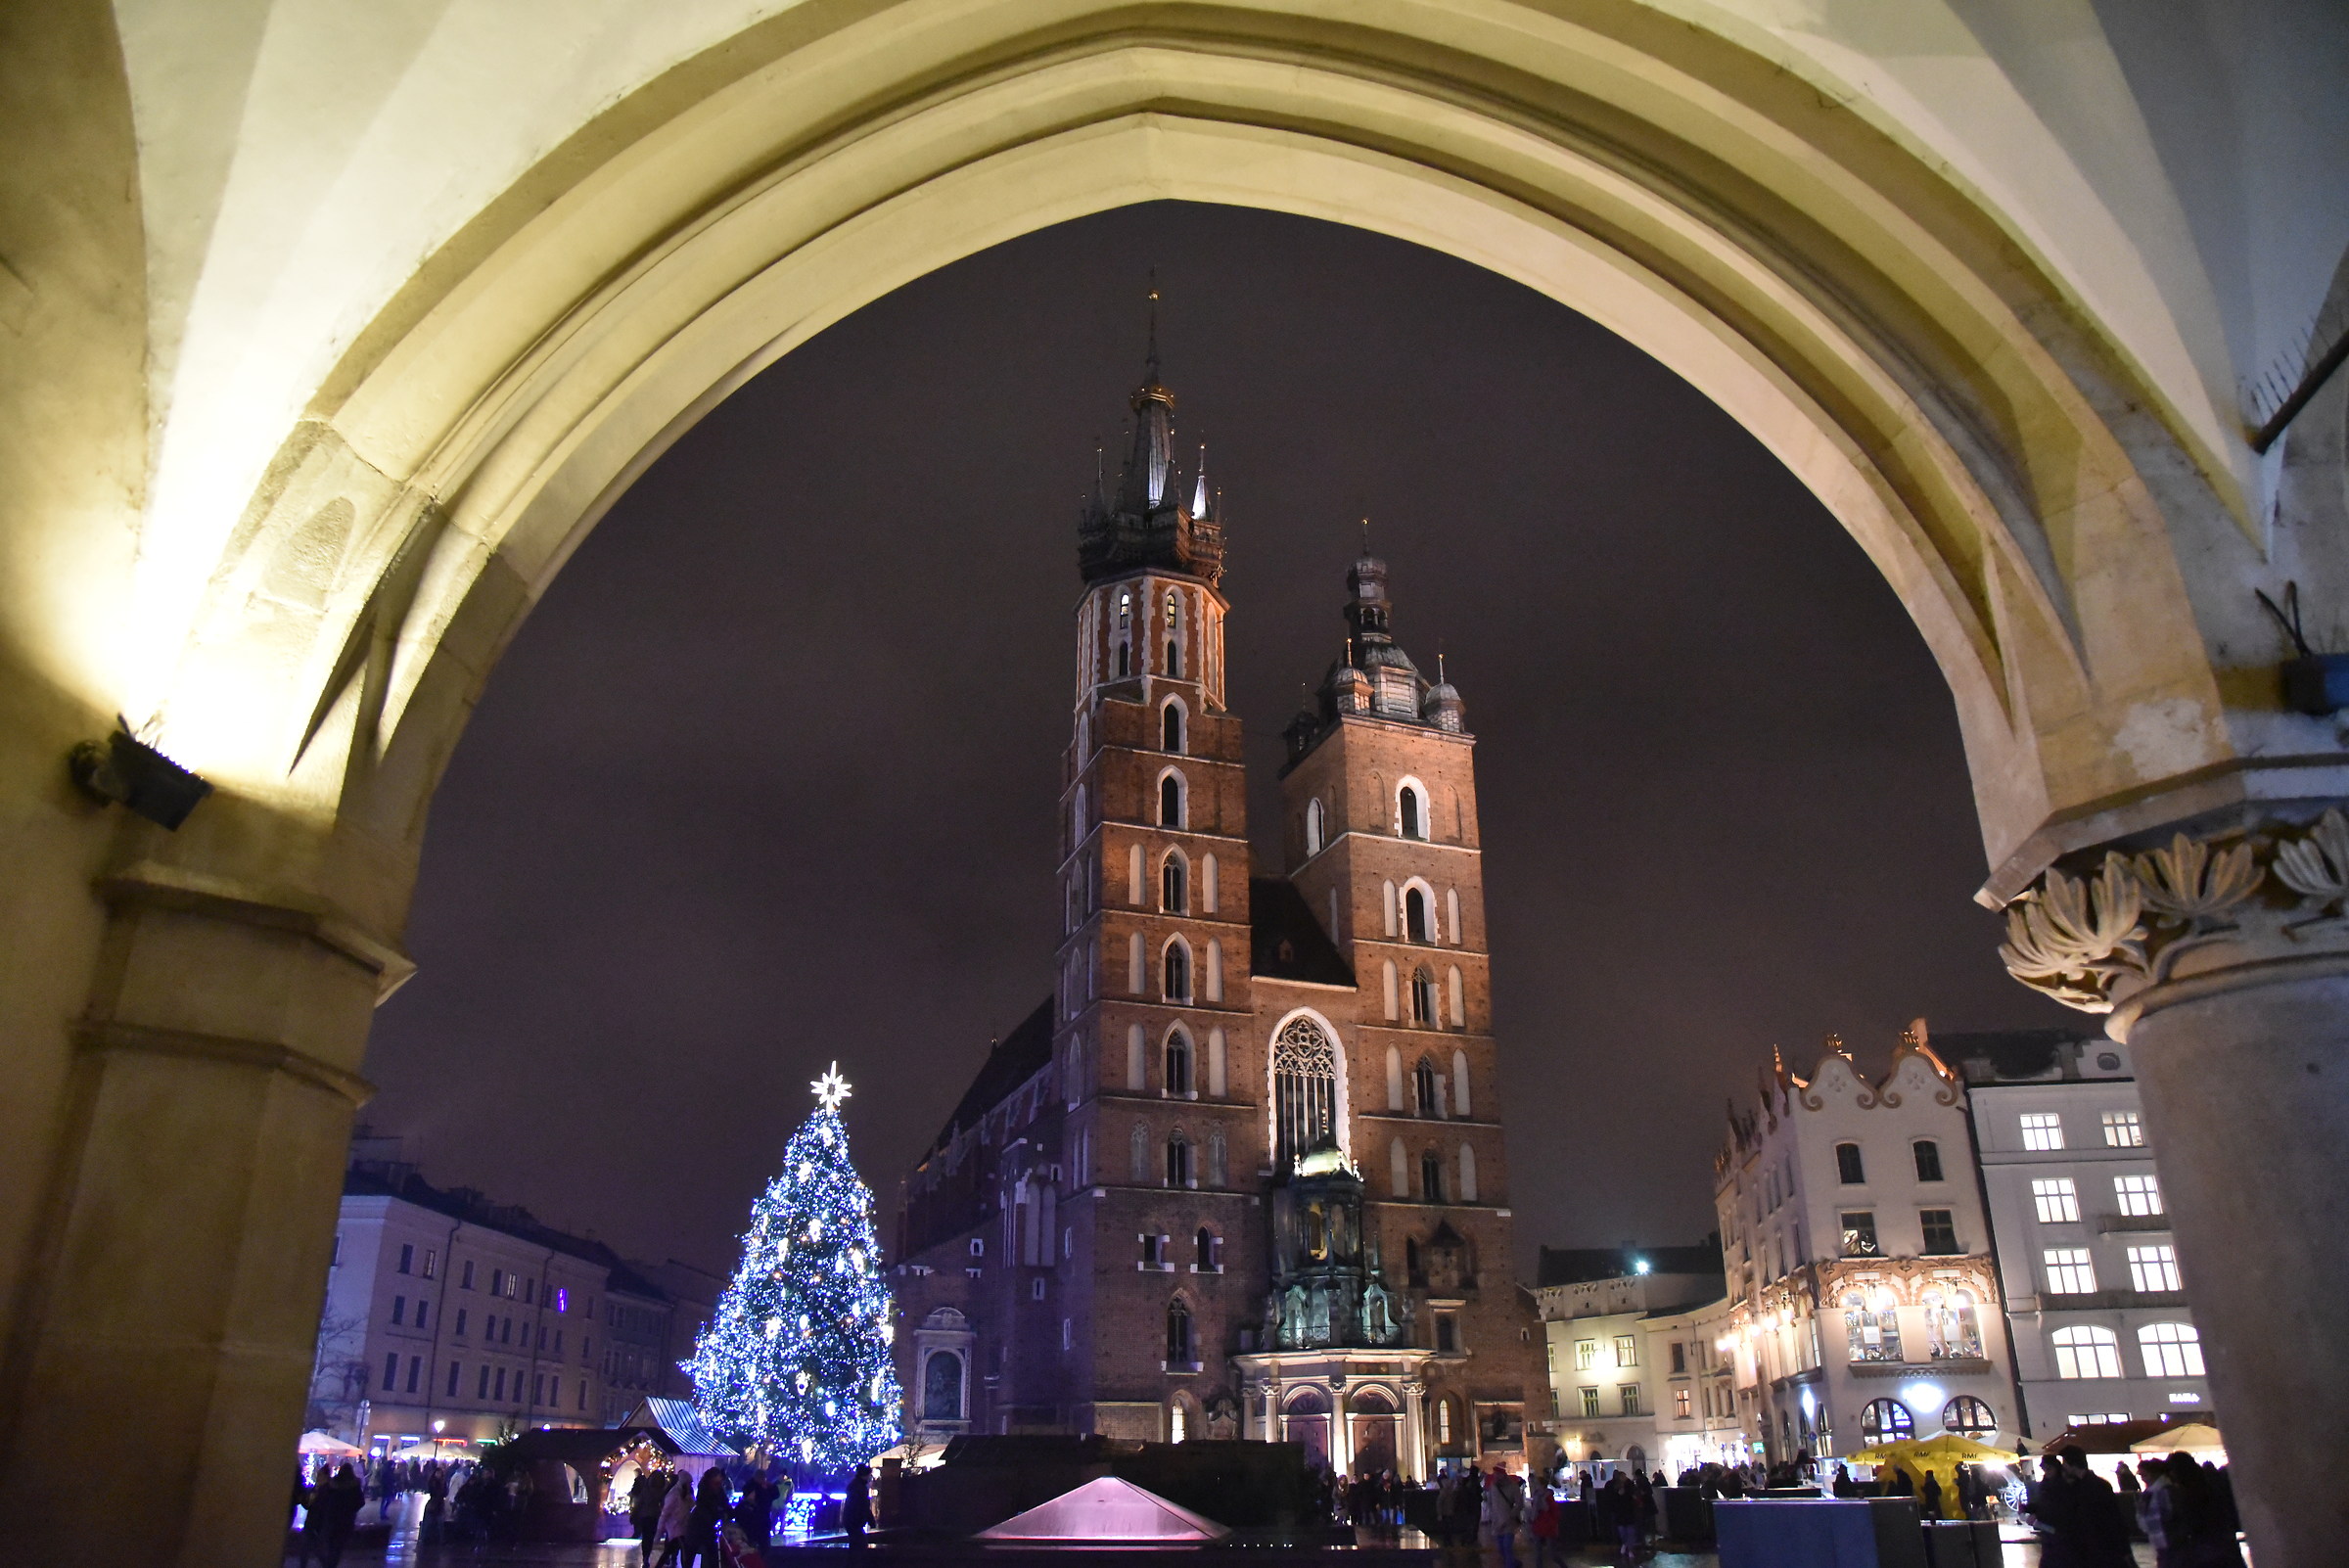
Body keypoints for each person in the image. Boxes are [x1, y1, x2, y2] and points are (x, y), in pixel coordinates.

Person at [312, 1462, 366, 1568]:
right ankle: (331, 1564)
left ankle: (327, 1563)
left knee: (328, 1543)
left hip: (331, 1518)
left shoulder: (333, 1484)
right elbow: (360, 1502)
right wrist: (351, 1509)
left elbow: (323, 1499)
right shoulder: (354, 1486)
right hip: (347, 1520)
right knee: (338, 1547)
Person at [630, 1468, 669, 1565]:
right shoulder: (662, 1491)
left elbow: (640, 1503)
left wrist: (635, 1514)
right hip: (656, 1516)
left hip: (646, 1516)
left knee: (646, 1538)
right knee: (652, 1537)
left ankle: (646, 1557)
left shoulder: (646, 1490)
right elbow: (664, 1504)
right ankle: (660, 1557)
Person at [734, 1468, 779, 1550]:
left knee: (762, 1544)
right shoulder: (754, 1487)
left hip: (761, 1519)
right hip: (754, 1519)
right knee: (757, 1544)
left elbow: (775, 1494)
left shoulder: (763, 1488)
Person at [655, 1471, 693, 1568]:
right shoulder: (674, 1494)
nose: (690, 1485)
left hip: (682, 1527)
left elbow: (691, 1506)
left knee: (669, 1551)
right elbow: (665, 1513)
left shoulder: (685, 1494)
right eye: (689, 1483)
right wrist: (659, 1531)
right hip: (676, 1527)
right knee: (684, 1551)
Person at [844, 1463, 874, 1549]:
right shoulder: (860, 1487)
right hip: (855, 1521)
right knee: (860, 1544)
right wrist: (870, 1520)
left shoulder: (855, 1485)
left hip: (852, 1520)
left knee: (856, 1543)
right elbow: (863, 1505)